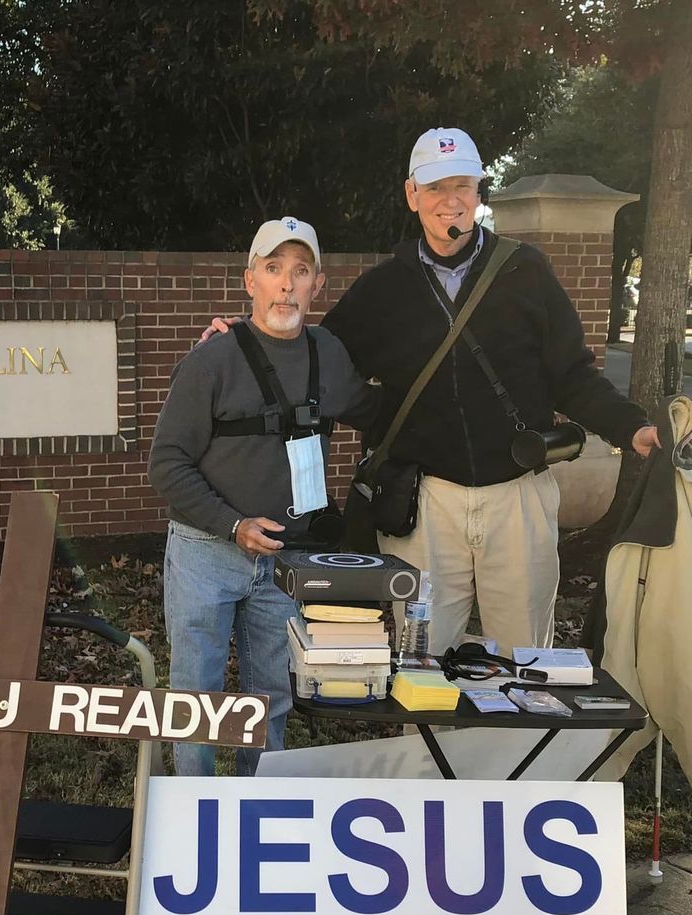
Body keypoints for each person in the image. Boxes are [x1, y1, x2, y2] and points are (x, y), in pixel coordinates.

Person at [206, 129, 659, 655]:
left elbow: (573, 374)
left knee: (526, 658)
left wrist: (631, 427)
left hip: (518, 495)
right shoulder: (384, 289)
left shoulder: (525, 271)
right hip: (425, 502)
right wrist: (242, 341)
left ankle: (518, 717)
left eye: (462, 185)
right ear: (412, 195)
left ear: (479, 191)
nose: (451, 200)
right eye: (436, 187)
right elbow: (312, 359)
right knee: (423, 659)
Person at [148, 217, 375, 775]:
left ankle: (258, 805)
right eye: (273, 269)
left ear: (317, 285)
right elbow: (167, 464)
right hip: (206, 552)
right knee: (196, 701)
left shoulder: (328, 354)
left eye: (300, 271)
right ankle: (195, 807)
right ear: (251, 280)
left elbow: (380, 414)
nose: (286, 285)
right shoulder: (211, 360)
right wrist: (233, 524)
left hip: (286, 559)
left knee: (272, 697)